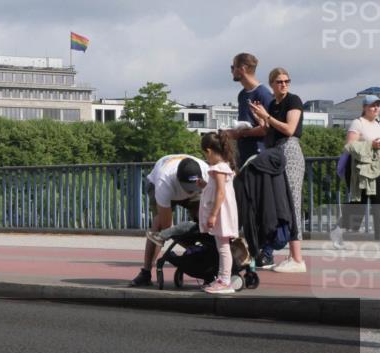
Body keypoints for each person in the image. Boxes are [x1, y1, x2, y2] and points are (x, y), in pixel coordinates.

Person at [248, 67, 306, 273]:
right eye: (280, 81)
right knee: (281, 204)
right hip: (274, 152)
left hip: (289, 150)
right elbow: (267, 130)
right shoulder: (273, 104)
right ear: (272, 84)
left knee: (292, 203)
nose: (284, 84)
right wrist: (260, 117)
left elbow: (289, 129)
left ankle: (297, 258)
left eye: (286, 81)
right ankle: (289, 255)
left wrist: (268, 118)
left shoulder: (293, 100)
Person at [129, 154, 208, 287]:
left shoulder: (207, 173)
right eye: (187, 188)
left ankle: (209, 267)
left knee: (205, 222)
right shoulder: (163, 182)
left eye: (193, 187)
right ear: (177, 180)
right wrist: (191, 249)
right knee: (159, 228)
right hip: (161, 187)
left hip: (197, 190)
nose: (190, 192)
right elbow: (168, 228)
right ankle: (146, 273)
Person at [197, 132, 240, 294]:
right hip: (224, 212)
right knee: (222, 245)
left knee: (223, 247)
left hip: (221, 213)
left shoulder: (218, 168)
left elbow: (220, 193)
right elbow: (216, 189)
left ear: (209, 151)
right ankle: (223, 279)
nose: (206, 159)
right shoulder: (224, 166)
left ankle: (224, 280)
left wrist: (213, 214)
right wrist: (204, 185)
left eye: (205, 155)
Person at [225, 53, 274, 166]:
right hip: (244, 153)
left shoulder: (263, 94)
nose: (231, 71)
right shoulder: (242, 95)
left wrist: (240, 133)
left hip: (259, 154)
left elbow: (267, 129)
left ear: (242, 69)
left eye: (233, 67)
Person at [343, 94, 380, 241]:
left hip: (376, 168)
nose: (376, 108)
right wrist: (371, 145)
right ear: (364, 107)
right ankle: (343, 232)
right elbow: (349, 145)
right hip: (361, 170)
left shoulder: (378, 124)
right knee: (359, 201)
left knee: (377, 201)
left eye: (377, 105)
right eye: (372, 105)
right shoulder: (357, 123)